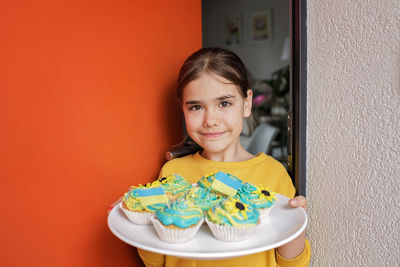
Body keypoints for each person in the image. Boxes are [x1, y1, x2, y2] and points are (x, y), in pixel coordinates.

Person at [138, 47, 311, 266]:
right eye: (196, 107)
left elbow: (291, 264)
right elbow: (156, 261)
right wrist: (143, 218)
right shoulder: (173, 173)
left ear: (246, 103)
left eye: (224, 103)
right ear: (182, 109)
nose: (210, 119)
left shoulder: (273, 175)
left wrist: (295, 223)